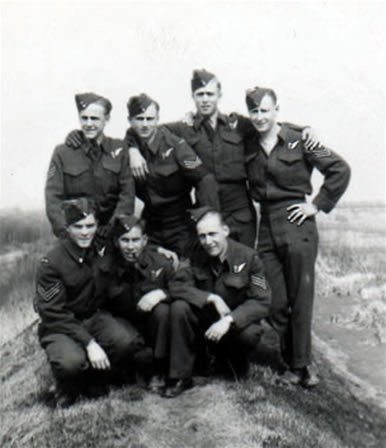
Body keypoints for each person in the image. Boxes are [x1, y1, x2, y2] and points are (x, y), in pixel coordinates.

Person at [127, 69, 319, 249]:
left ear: (219, 95)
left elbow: (267, 124)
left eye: (210, 94)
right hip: (206, 210)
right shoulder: (183, 128)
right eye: (200, 94)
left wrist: (303, 129)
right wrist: (132, 150)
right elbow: (145, 129)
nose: (205, 99)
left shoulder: (237, 125)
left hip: (239, 211)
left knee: (243, 265)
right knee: (211, 269)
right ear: (193, 97)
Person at [243, 86, 351, 387]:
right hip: (266, 224)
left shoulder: (300, 139)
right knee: (274, 300)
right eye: (254, 111)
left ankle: (299, 367)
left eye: (265, 110)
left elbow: (340, 170)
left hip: (297, 222)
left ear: (277, 109)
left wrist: (316, 205)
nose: (260, 116)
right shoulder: (247, 142)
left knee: (301, 298)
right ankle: (297, 359)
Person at [35, 198, 138, 408]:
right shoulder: (51, 263)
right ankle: (66, 386)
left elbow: (133, 242)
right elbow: (53, 314)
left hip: (93, 318)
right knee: (71, 362)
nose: (85, 232)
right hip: (61, 326)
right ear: (67, 228)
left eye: (90, 226)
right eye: (78, 227)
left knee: (125, 342)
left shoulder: (100, 248)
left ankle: (95, 381)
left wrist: (160, 252)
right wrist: (90, 343)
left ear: (97, 226)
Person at [163, 207, 271, 398]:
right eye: (202, 236)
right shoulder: (193, 253)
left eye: (213, 234)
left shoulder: (249, 258)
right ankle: (180, 376)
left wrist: (229, 319)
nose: (208, 241)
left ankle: (228, 361)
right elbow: (176, 285)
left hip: (234, 325)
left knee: (250, 335)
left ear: (225, 231)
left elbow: (262, 301)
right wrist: (211, 298)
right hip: (205, 320)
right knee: (179, 307)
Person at [123, 93, 219, 256]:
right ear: (130, 121)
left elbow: (204, 179)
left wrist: (204, 217)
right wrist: (132, 150)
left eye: (150, 119)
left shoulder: (176, 146)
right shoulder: (127, 150)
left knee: (186, 271)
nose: (145, 124)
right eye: (140, 119)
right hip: (151, 225)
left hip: (180, 224)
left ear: (157, 119)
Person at [105, 214, 183, 394]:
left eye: (135, 240)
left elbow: (182, 288)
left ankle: (159, 370)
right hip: (124, 325)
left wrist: (162, 293)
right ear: (116, 242)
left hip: (153, 327)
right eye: (125, 240)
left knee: (163, 310)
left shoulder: (160, 263)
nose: (131, 246)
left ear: (145, 240)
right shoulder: (107, 267)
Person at [46, 92, 135, 244]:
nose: (88, 124)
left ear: (106, 119)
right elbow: (53, 198)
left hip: (109, 234)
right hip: (75, 235)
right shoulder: (63, 152)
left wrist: (113, 227)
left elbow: (127, 195)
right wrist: (65, 232)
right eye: (84, 118)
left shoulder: (119, 150)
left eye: (94, 118)